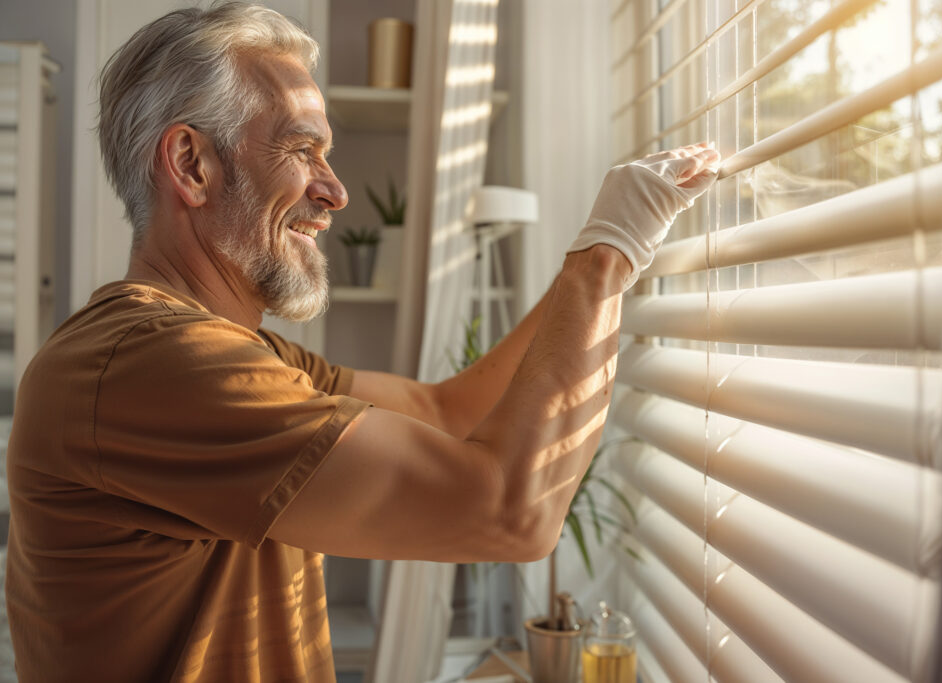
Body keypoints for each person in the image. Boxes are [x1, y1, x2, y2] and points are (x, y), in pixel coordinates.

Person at [3, 2, 720, 681]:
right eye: (303, 149)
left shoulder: (234, 351)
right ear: (192, 165)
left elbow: (445, 412)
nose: (336, 191)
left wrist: (611, 249)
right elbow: (512, 514)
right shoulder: (150, 365)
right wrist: (604, 258)